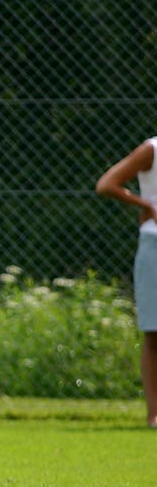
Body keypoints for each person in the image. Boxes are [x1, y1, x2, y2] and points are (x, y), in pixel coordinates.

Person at [94, 136, 157, 428]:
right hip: (153, 244)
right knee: (153, 330)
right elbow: (107, 184)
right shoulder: (151, 150)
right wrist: (146, 204)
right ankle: (154, 414)